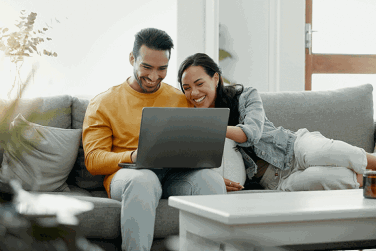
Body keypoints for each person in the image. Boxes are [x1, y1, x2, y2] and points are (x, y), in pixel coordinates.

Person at [82, 29, 226, 251]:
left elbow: (195, 145)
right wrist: (133, 156)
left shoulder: (180, 98)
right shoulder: (103, 102)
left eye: (162, 69)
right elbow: (93, 160)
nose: (154, 76)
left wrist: (203, 165)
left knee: (211, 180)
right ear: (132, 59)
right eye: (146, 67)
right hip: (129, 176)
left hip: (173, 176)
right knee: (144, 180)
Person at [177, 52, 376, 192]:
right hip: (275, 181)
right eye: (186, 87)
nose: (193, 93)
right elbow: (194, 165)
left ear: (216, 79)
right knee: (323, 178)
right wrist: (211, 180)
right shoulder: (192, 125)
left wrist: (210, 127)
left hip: (294, 147)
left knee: (325, 152)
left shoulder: (246, 96)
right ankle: (366, 181)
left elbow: (252, 133)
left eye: (199, 84)